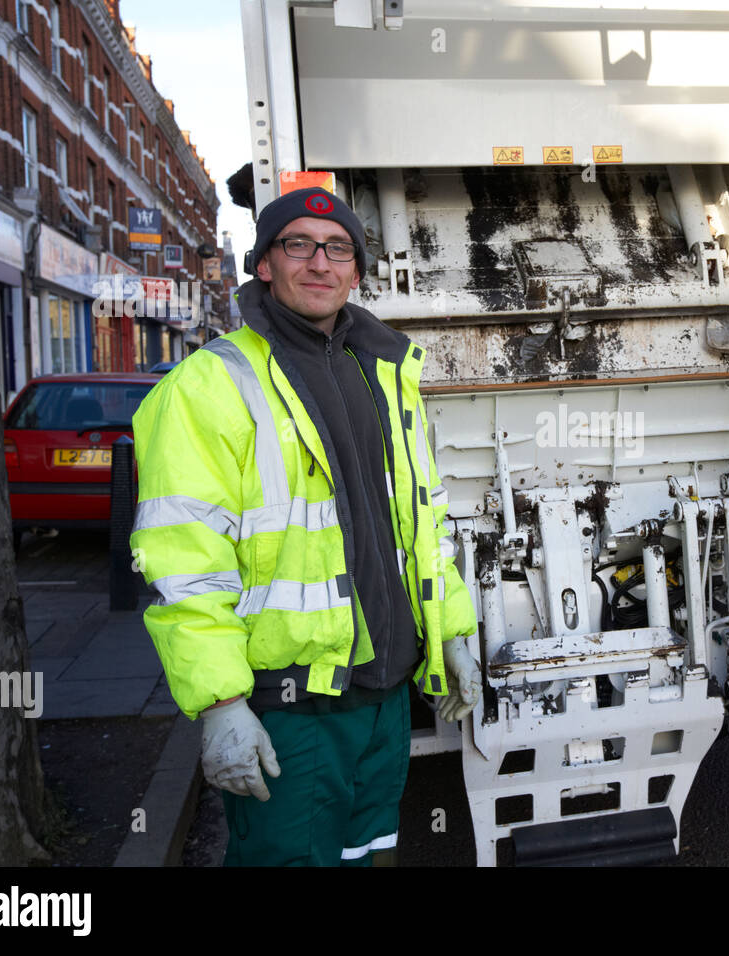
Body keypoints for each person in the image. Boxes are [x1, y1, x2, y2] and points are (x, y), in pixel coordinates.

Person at [130, 186, 482, 866]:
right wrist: (222, 703)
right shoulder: (208, 385)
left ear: (355, 271)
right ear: (264, 264)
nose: (320, 263)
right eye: (299, 245)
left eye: (338, 249)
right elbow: (185, 560)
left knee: (371, 855)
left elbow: (421, 524)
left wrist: (454, 635)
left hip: (384, 702)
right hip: (289, 711)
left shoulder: (382, 374)